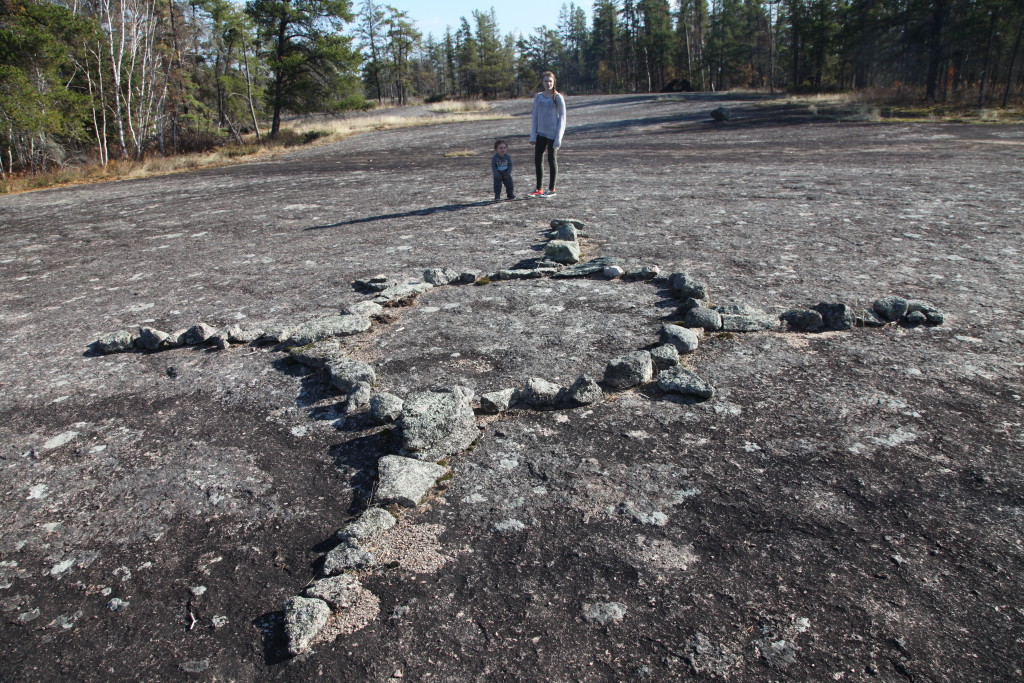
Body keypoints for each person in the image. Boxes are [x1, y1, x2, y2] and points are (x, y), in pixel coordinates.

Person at [528, 70, 566, 198]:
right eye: (546, 81)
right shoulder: (538, 97)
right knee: (538, 160)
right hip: (540, 134)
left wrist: (559, 137)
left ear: (554, 81)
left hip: (553, 134)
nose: (548, 83)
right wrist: (533, 135)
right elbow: (535, 116)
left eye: (550, 81)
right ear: (542, 82)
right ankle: (539, 188)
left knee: (552, 160)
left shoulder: (557, 97)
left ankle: (552, 188)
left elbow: (562, 118)